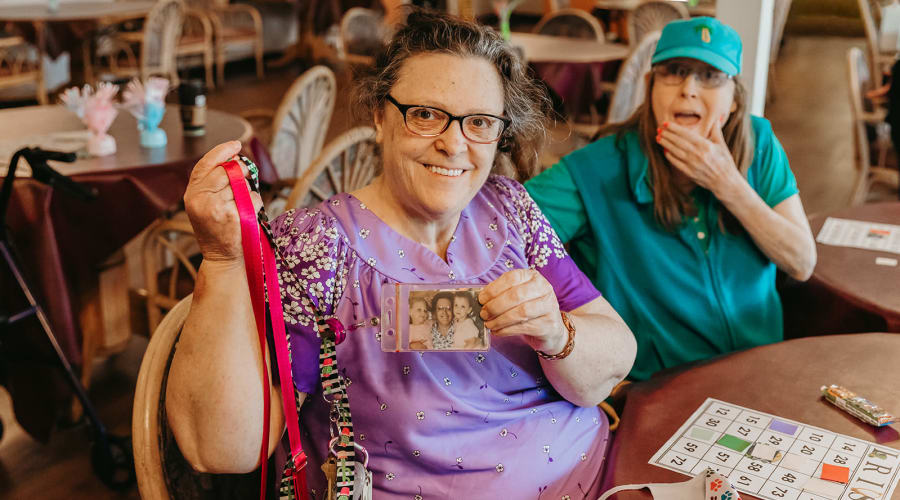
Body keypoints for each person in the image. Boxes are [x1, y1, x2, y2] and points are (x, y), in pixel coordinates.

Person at [166, 9, 636, 499]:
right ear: (378, 114)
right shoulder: (319, 247)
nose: (454, 144)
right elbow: (221, 450)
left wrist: (558, 333)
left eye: (479, 122)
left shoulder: (509, 207)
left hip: (596, 471)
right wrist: (222, 261)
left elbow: (615, 360)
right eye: (426, 114)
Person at [526, 17, 816, 381]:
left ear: (733, 98)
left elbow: (801, 261)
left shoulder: (759, 143)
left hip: (763, 372)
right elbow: (503, 226)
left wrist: (728, 184)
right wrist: (575, 320)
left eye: (711, 76)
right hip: (664, 388)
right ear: (650, 87)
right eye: (675, 72)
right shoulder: (599, 167)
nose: (689, 89)